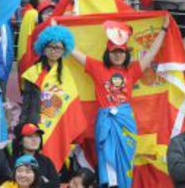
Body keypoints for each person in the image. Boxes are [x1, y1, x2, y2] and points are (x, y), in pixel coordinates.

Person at [71, 15, 170, 187]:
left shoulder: (132, 71)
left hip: (125, 122)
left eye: (121, 52)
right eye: (114, 52)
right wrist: (57, 32)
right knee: (107, 160)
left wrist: (164, 30)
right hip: (106, 122)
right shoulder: (97, 67)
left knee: (125, 161)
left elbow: (152, 53)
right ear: (108, 53)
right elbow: (73, 51)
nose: (118, 55)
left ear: (126, 54)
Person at [21, 25, 87, 172]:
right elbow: (27, 105)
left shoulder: (67, 74)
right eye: (51, 46)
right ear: (43, 48)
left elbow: (71, 104)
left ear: (64, 51)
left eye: (58, 48)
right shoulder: (32, 73)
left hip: (60, 128)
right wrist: (26, 127)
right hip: (37, 129)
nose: (54, 50)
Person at [9, 123, 60, 188]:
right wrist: (41, 181)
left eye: (37, 136)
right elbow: (9, 183)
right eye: (29, 136)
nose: (34, 140)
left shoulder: (46, 161)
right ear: (20, 141)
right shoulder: (12, 161)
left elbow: (55, 184)